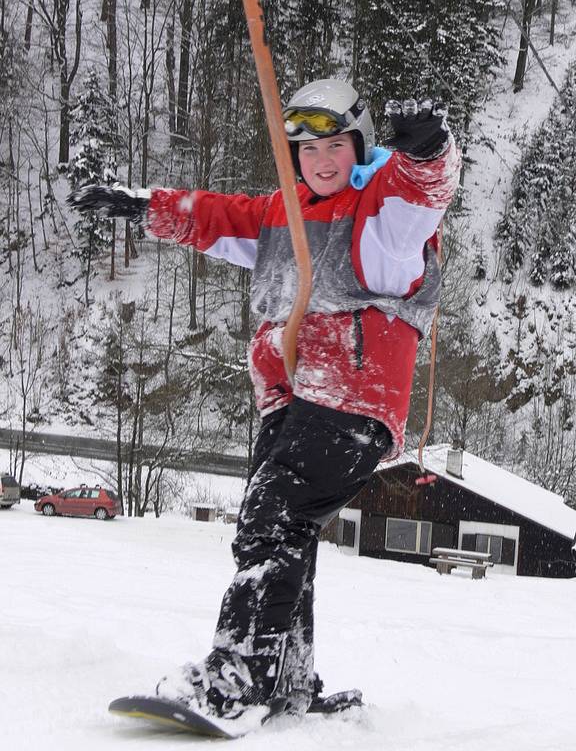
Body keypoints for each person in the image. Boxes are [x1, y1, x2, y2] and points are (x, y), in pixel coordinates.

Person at [68, 78, 461, 728]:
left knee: (269, 515)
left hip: (352, 399)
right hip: (288, 403)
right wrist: (136, 205)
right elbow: (210, 216)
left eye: (337, 145)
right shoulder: (281, 216)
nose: (323, 160)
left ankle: (238, 678)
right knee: (287, 533)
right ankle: (289, 682)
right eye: (307, 149)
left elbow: (427, 187)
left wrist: (428, 145)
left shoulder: (383, 214)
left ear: (359, 148)